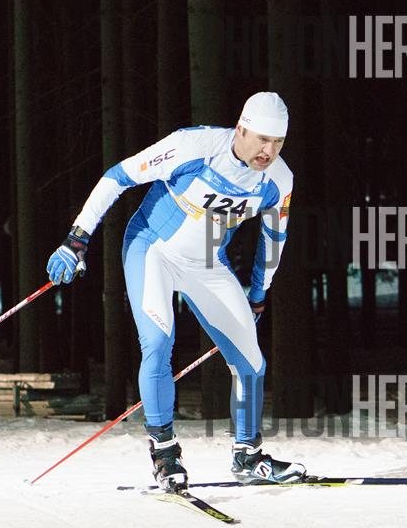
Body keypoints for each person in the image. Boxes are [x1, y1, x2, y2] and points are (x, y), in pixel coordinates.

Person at [45, 92, 305, 490]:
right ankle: (165, 456)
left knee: (252, 361)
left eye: (278, 142)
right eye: (262, 139)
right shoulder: (193, 145)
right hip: (153, 249)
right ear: (241, 129)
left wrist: (258, 295)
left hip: (207, 263)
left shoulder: (279, 180)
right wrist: (76, 239)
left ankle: (248, 456)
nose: (268, 151)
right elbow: (117, 176)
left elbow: (274, 241)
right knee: (157, 342)